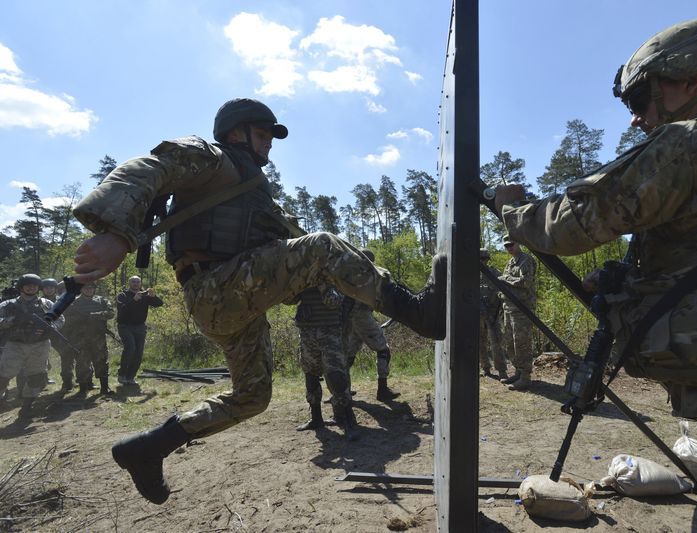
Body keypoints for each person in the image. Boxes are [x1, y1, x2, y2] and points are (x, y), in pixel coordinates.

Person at [494, 19, 697, 531]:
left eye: (640, 100)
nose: (637, 119)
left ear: (690, 79)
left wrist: (510, 210)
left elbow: (572, 224)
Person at [70, 97, 445, 504]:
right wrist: (117, 233)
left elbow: (301, 248)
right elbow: (150, 166)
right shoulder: (212, 159)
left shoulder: (258, 197)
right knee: (323, 246)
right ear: (236, 133)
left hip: (231, 301)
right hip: (214, 288)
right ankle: (419, 314)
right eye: (263, 135)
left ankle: (148, 447)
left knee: (252, 397)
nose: (268, 144)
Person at [292, 284, 358, 440]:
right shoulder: (303, 273)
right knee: (310, 375)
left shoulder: (332, 273)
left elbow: (334, 301)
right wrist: (296, 284)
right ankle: (316, 419)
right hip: (308, 331)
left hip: (330, 332)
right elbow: (289, 300)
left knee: (337, 378)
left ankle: (348, 421)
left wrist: (321, 284)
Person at [0, 274, 64, 418]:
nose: (31, 287)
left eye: (35, 285)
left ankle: (27, 407)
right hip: (15, 344)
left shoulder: (46, 303)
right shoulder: (8, 304)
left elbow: (60, 318)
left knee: (36, 377)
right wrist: (10, 321)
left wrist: (50, 325)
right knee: (4, 375)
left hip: (40, 345)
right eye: (28, 285)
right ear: (21, 287)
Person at [342, 249, 399, 402]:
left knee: (349, 354)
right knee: (383, 350)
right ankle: (382, 390)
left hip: (350, 319)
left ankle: (343, 389)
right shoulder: (372, 275)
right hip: (362, 316)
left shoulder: (349, 274)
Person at [62, 281, 116, 395]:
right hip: (80, 338)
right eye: (86, 288)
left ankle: (105, 388)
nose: (88, 290)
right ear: (81, 289)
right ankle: (83, 388)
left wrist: (97, 315)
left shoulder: (102, 300)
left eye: (91, 288)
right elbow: (65, 318)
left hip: (98, 337)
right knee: (82, 363)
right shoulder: (73, 302)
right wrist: (80, 319)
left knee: (101, 361)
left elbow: (111, 313)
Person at [498, 235, 537, 391]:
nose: (509, 248)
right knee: (510, 343)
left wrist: (506, 278)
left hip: (522, 308)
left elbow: (525, 282)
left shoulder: (526, 260)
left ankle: (526, 377)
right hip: (509, 307)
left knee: (522, 343)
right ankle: (518, 372)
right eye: (506, 246)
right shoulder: (510, 263)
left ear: (518, 243)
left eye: (511, 245)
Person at [116, 276, 163, 386]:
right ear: (129, 283)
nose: (136, 283)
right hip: (125, 326)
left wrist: (154, 296)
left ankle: (130, 377)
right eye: (133, 281)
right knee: (130, 348)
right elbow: (122, 310)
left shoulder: (144, 295)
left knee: (138, 353)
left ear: (140, 283)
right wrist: (134, 300)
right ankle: (122, 374)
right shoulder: (122, 295)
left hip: (140, 327)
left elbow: (159, 303)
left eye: (138, 281)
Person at [478, 248, 507, 379]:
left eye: (484, 259)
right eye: (480, 259)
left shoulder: (495, 273)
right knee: (480, 342)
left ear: (488, 259)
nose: (482, 261)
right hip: (477, 314)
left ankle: (501, 371)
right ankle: (485, 367)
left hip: (492, 314)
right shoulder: (471, 275)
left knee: (496, 342)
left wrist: (498, 310)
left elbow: (502, 292)